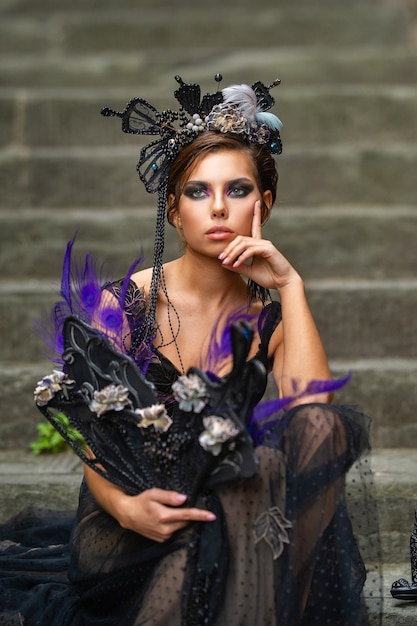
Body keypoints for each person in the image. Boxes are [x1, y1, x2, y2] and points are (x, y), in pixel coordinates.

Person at [0, 76, 381, 625]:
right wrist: (128, 507)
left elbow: (315, 429)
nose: (219, 208)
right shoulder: (124, 305)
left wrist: (290, 286)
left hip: (228, 509)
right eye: (199, 192)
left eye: (239, 189)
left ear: (264, 204)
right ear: (175, 211)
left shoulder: (269, 318)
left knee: (294, 447)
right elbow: (92, 436)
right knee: (236, 499)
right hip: (130, 524)